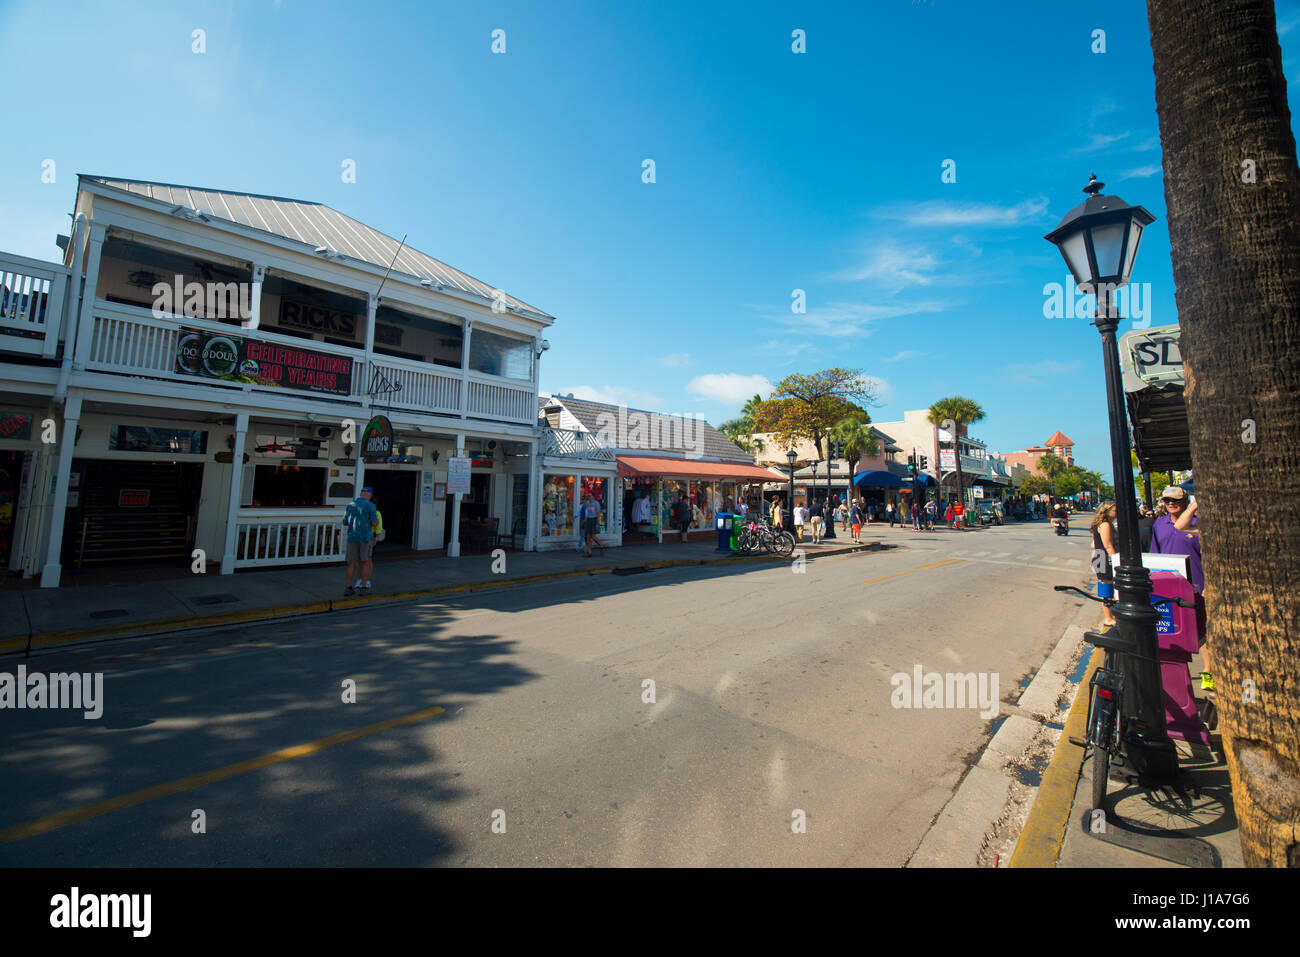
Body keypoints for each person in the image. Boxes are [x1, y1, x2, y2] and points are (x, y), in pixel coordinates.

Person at [343, 486, 379, 595]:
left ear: (361, 494)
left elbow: (345, 521)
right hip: (365, 537)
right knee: (365, 562)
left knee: (351, 563)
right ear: (369, 495)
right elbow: (374, 523)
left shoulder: (350, 505)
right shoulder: (371, 506)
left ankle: (348, 587)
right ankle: (363, 588)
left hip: (352, 537)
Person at [1091, 502, 1120, 627]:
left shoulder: (1102, 524)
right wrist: (1116, 562)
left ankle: (1110, 616)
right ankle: (1109, 618)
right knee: (1108, 588)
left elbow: (1093, 544)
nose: (1117, 512)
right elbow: (1108, 546)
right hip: (1105, 559)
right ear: (1107, 511)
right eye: (1114, 510)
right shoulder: (1106, 525)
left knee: (1106, 587)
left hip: (1099, 557)